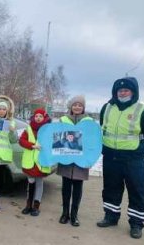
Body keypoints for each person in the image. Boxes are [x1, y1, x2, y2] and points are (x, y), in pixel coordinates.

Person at [96, 77, 144, 239]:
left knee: (137, 190)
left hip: (133, 158)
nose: (122, 92)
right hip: (110, 156)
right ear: (115, 92)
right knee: (110, 187)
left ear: (133, 91)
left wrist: (143, 147)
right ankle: (111, 216)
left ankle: (136, 223)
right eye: (119, 90)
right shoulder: (107, 108)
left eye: (126, 90)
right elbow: (104, 127)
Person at [57, 96, 92, 227]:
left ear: (83, 107)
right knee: (65, 187)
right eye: (74, 105)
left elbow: (91, 141)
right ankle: (64, 213)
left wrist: (89, 158)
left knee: (77, 188)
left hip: (80, 161)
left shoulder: (89, 121)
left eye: (80, 105)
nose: (77, 107)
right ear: (70, 106)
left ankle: (74, 215)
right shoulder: (63, 119)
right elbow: (58, 137)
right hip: (66, 159)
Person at [19, 108, 52, 216]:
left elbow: (52, 143)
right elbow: (21, 141)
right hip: (30, 162)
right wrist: (32, 146)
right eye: (36, 116)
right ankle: (28, 205)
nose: (38, 118)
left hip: (41, 162)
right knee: (31, 183)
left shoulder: (48, 129)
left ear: (44, 117)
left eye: (40, 116)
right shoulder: (28, 128)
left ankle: (36, 206)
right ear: (34, 117)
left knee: (39, 183)